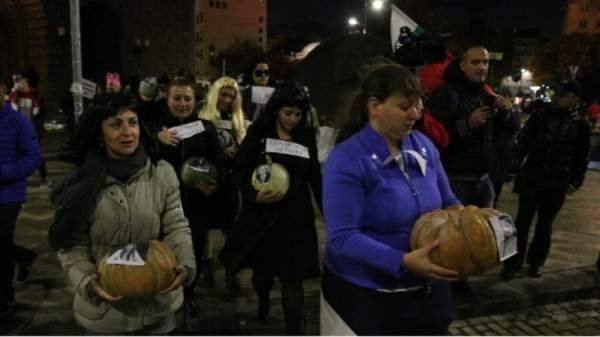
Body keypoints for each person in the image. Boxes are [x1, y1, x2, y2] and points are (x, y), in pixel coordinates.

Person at [321, 63, 460, 335]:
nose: (415, 114)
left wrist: (464, 220)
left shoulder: (424, 145)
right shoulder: (346, 159)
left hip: (428, 292)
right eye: (404, 107)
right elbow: (342, 236)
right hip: (369, 297)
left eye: (418, 106)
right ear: (374, 106)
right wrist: (402, 261)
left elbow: (448, 199)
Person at [48, 92, 195, 334]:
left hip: (156, 305)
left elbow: (176, 226)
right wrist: (88, 283)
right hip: (105, 312)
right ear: (100, 132)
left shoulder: (162, 173)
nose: (127, 132)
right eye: (116, 125)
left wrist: (185, 266)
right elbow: (70, 244)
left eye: (133, 122)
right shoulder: (80, 182)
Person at [220, 81, 322, 335]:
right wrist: (253, 195)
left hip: (296, 218)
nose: (293, 119)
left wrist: (328, 209)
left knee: (292, 280)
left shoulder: (306, 136)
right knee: (262, 275)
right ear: (277, 109)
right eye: (288, 113)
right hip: (264, 217)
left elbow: (315, 177)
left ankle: (294, 331)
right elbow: (240, 170)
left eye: (298, 114)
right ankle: (263, 299)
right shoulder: (259, 133)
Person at [500, 80, 591, 280]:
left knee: (545, 224)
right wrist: (514, 166)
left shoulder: (581, 124)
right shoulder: (541, 115)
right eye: (557, 94)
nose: (557, 98)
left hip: (557, 180)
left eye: (563, 95)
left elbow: (582, 155)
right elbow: (524, 139)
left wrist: (576, 181)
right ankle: (512, 263)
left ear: (574, 98)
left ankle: (536, 262)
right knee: (521, 222)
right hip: (533, 175)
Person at [155, 69, 225, 316]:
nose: (183, 103)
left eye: (187, 98)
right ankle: (163, 292)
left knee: (193, 247)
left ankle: (188, 293)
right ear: (167, 99)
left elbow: (219, 160)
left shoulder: (205, 127)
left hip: (197, 201)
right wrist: (157, 139)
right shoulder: (156, 126)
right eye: (177, 98)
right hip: (162, 202)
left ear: (195, 100)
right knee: (163, 248)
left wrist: (215, 182)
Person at [427, 45, 516, 208]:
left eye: (485, 62)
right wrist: (468, 124)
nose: (482, 67)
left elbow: (506, 132)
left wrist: (505, 113)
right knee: (454, 232)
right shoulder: (445, 94)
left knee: (483, 232)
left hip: (484, 179)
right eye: (475, 62)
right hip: (455, 181)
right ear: (462, 66)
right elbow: (434, 135)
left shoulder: (487, 94)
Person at [198, 76, 247, 293]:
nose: (226, 99)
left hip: (230, 179)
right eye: (223, 94)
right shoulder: (202, 115)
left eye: (231, 96)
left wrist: (237, 152)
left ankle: (230, 271)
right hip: (208, 177)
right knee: (205, 226)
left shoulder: (238, 119)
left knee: (231, 227)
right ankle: (207, 271)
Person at [0, 74, 42, 319]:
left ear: (4, 89)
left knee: (0, 244)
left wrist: (4, 172)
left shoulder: (18, 122)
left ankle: (5, 299)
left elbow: (32, 158)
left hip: (8, 196)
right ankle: (24, 256)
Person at [9, 67, 50, 187]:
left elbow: (41, 117)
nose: (16, 82)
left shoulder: (37, 97)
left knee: (36, 154)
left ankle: (45, 178)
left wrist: (33, 131)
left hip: (32, 131)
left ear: (26, 80)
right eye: (15, 80)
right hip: (18, 131)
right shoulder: (15, 96)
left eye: (19, 80)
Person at [241, 58, 275, 122]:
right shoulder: (244, 93)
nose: (263, 75)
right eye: (258, 73)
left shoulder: (276, 93)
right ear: (251, 74)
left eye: (266, 72)